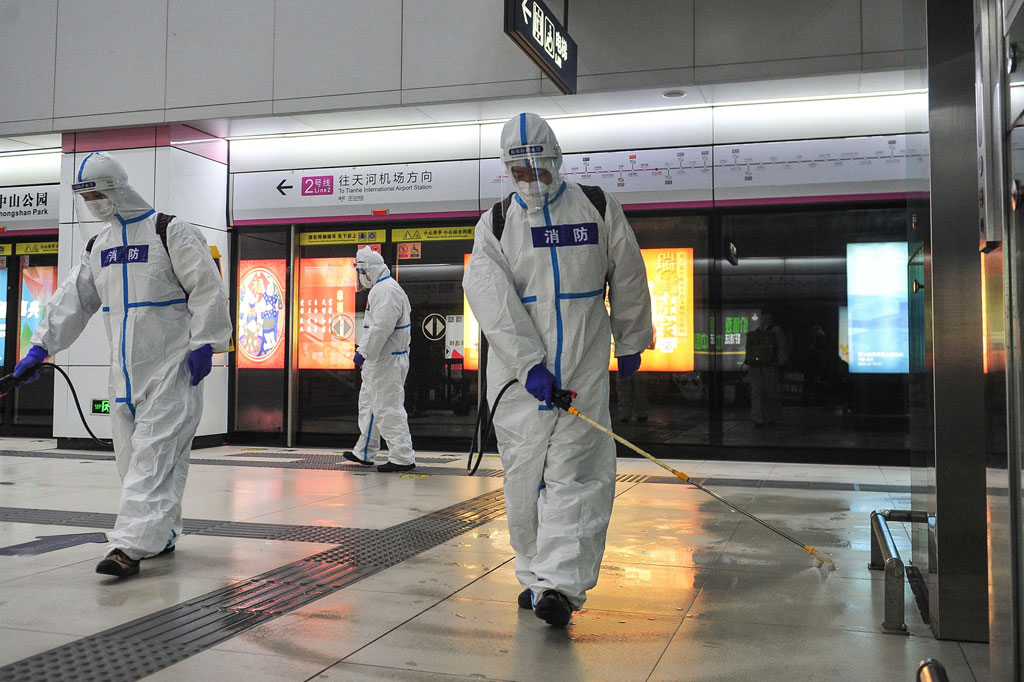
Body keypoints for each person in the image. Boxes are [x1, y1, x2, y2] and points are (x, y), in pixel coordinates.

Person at [463, 113, 653, 627]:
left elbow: (628, 270)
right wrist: (527, 363)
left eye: (538, 169)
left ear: (556, 159)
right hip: (519, 380)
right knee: (524, 479)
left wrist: (632, 337)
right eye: (519, 173)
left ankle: (560, 588)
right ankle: (534, 575)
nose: (530, 180)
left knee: (578, 475)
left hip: (584, 366)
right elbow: (491, 298)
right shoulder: (497, 223)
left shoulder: (595, 206)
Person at [13, 151, 232, 578]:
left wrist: (206, 343)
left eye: (96, 192)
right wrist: (40, 349)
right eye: (85, 194)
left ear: (116, 188)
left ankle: (127, 549)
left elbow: (208, 290)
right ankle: (162, 532)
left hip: (171, 372)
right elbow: (71, 302)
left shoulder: (170, 232)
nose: (92, 201)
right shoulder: (99, 245)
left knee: (152, 461)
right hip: (124, 379)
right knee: (136, 463)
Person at [342, 246, 416, 472]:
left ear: (369, 270)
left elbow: (381, 328)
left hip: (386, 360)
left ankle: (402, 456)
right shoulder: (381, 289)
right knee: (370, 406)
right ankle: (364, 451)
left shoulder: (386, 291)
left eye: (361, 272)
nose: (360, 278)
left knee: (387, 407)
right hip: (381, 360)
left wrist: (363, 352)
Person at [746, 311, 788, 427]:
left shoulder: (756, 332)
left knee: (757, 393)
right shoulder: (777, 331)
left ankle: (757, 418)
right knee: (771, 392)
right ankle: (771, 417)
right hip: (770, 366)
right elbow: (782, 349)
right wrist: (780, 363)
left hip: (754, 367)